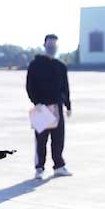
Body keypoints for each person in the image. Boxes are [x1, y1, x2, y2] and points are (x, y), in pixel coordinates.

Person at [25, 34, 71, 179]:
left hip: (57, 106)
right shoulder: (35, 65)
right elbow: (29, 86)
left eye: (54, 46)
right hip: (41, 107)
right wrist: (36, 102)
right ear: (44, 45)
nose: (52, 48)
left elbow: (65, 87)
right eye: (50, 45)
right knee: (41, 140)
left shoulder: (61, 66)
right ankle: (39, 168)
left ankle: (59, 166)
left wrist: (68, 105)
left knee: (58, 139)